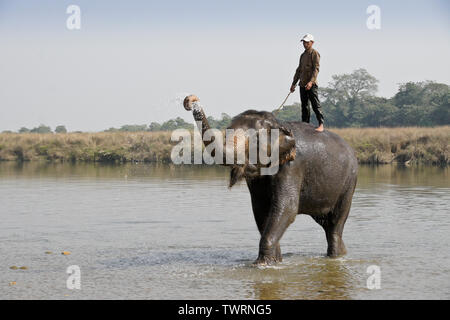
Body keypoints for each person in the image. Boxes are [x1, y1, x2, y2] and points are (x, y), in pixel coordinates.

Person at [290, 34, 324, 132]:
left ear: (312, 43)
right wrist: (293, 84)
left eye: (307, 42)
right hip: (302, 84)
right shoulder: (303, 55)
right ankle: (305, 125)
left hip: (311, 84)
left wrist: (311, 82)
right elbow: (299, 70)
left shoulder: (315, 53)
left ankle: (321, 124)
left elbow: (316, 69)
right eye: (304, 42)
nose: (305, 44)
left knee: (315, 104)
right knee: (304, 106)